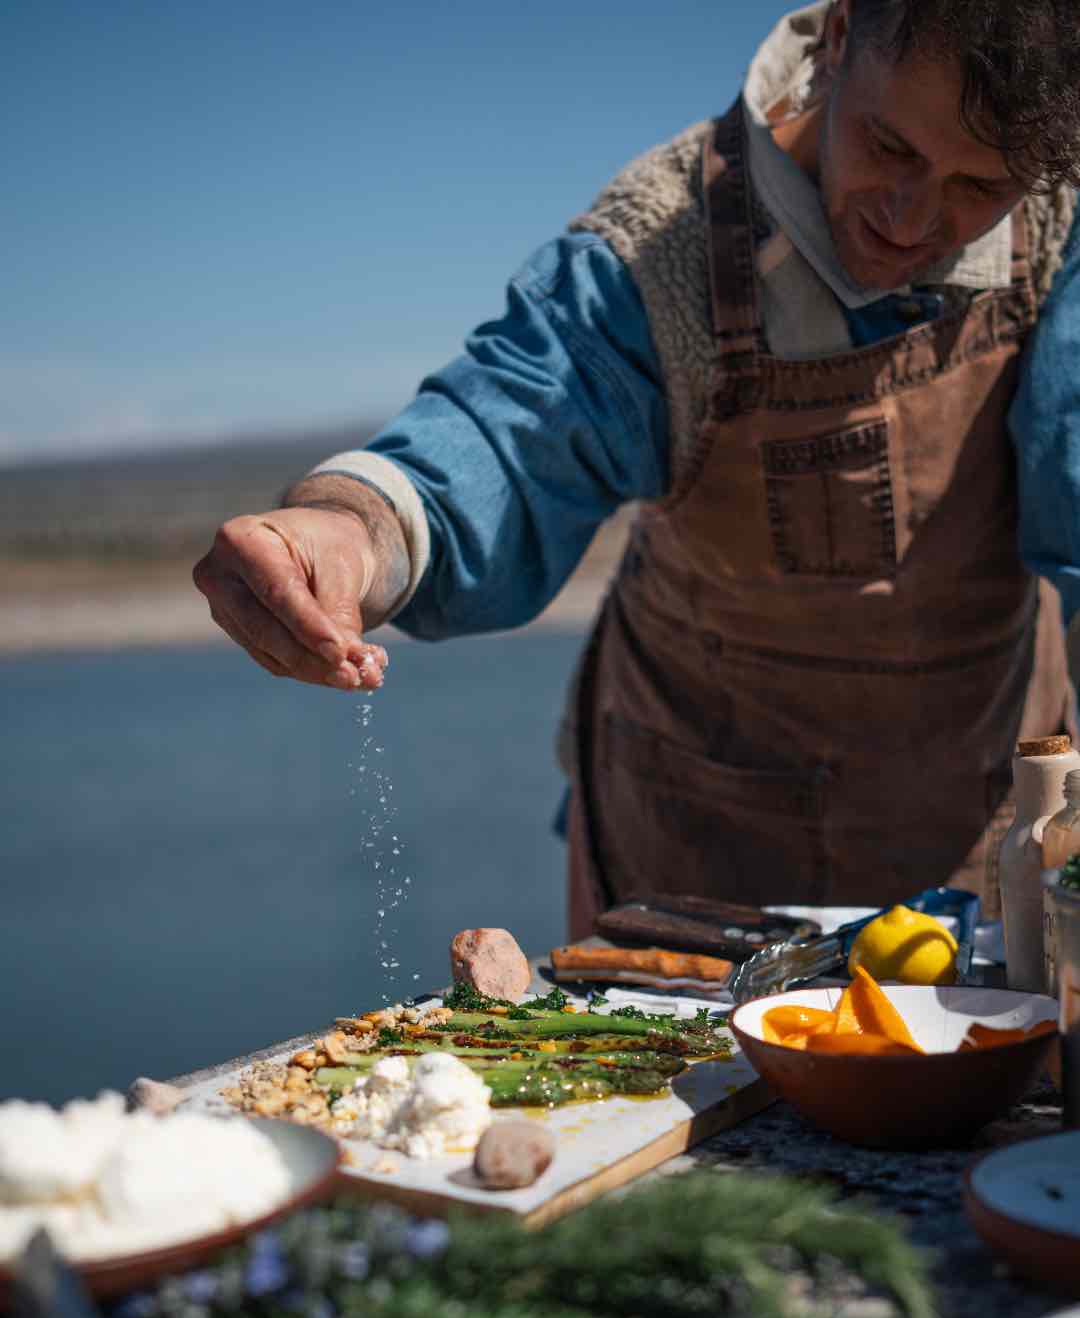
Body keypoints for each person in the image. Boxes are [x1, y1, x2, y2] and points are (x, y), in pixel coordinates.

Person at [195, 0, 1080, 939]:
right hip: (690, 863)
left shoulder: (1060, 219)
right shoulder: (661, 250)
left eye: (979, 186)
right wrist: (348, 529)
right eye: (889, 146)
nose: (912, 218)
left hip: (982, 841)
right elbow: (503, 439)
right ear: (840, 36)